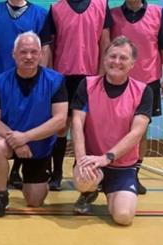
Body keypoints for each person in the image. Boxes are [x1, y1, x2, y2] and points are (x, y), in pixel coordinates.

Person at [70, 36, 152, 225]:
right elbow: (76, 124)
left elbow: (136, 133)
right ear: (105, 59)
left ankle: (111, 192)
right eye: (112, 56)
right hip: (92, 162)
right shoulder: (87, 85)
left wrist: (107, 157)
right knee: (83, 181)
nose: (116, 61)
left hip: (122, 166)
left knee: (123, 217)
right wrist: (82, 161)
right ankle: (88, 191)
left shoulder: (143, 91)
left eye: (123, 58)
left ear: (132, 63)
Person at [0, 0, 48, 189]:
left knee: (26, 125)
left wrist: (42, 79)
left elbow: (45, 48)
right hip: (1, 80)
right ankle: (2, 177)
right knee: (0, 125)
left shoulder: (39, 14)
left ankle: (19, 171)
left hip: (30, 80)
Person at [0, 32, 67, 217]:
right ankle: (2, 194)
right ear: (14, 54)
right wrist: (18, 141)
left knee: (34, 201)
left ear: (40, 54)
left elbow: (60, 119)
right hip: (11, 141)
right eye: (23, 52)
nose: (29, 56)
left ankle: (30, 177)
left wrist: (26, 137)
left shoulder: (56, 81)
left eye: (33, 52)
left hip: (39, 146)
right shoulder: (0, 82)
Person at [40, 0, 112, 191]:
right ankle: (56, 174)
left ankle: (85, 170)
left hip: (91, 76)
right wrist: (50, 78)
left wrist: (101, 75)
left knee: (88, 128)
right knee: (61, 126)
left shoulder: (101, 5)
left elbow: (105, 43)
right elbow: (50, 46)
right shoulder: (56, 9)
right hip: (63, 76)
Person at [110, 0, 163, 194]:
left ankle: (133, 175)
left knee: (140, 132)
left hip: (147, 83)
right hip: (118, 81)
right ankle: (109, 172)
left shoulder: (158, 13)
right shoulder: (113, 14)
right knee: (114, 128)